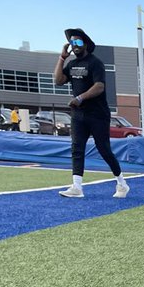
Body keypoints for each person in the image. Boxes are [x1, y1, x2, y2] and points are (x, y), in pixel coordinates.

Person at [54, 28, 129, 200]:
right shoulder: (71, 65)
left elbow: (99, 86)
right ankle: (77, 187)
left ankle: (122, 183)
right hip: (78, 115)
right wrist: (62, 58)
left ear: (86, 44)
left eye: (78, 42)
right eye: (72, 42)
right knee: (77, 148)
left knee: (104, 149)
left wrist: (80, 98)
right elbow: (58, 80)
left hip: (97, 114)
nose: (75, 45)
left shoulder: (95, 63)